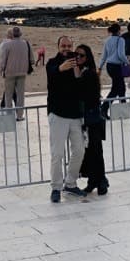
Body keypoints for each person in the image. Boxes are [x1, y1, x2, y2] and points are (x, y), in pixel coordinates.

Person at [46, 36, 86, 202]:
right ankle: (55, 187)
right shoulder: (52, 63)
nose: (66, 48)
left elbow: (81, 85)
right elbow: (52, 77)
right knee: (57, 153)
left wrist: (77, 69)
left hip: (75, 115)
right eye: (63, 46)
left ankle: (70, 183)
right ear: (58, 46)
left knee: (79, 150)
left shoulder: (77, 63)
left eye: (69, 46)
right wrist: (62, 68)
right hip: (58, 114)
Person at [76, 44, 109, 196]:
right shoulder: (84, 72)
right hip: (88, 117)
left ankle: (101, 181)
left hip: (92, 118)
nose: (78, 58)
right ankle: (94, 181)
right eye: (76, 55)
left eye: (81, 55)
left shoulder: (88, 74)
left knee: (95, 150)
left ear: (87, 57)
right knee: (90, 151)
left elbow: (84, 94)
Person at [0, 26, 34, 121]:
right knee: (20, 95)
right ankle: (19, 116)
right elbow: (32, 59)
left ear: (12, 34)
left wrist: (1, 70)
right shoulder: (26, 43)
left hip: (9, 73)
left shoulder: (7, 45)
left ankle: (9, 115)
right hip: (22, 72)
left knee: (8, 95)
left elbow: (3, 60)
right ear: (20, 34)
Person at [97, 23, 130, 106]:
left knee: (120, 87)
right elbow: (121, 54)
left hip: (109, 66)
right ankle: (104, 108)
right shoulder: (121, 40)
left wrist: (100, 67)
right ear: (119, 30)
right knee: (117, 88)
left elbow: (104, 55)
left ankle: (122, 106)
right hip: (117, 66)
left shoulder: (107, 40)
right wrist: (127, 62)